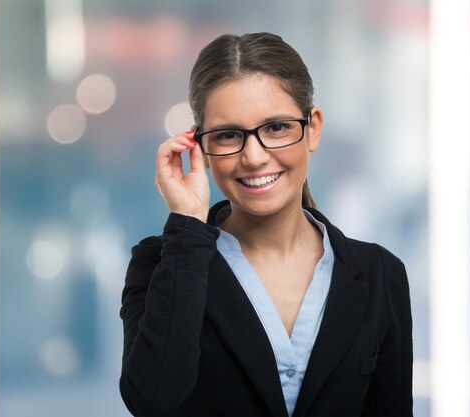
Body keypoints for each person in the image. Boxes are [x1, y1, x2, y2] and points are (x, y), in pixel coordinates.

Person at [119, 32, 413, 417]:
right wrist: (187, 224)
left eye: (276, 127)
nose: (254, 157)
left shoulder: (380, 275)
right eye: (228, 135)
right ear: (200, 147)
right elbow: (153, 403)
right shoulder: (163, 264)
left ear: (313, 129)